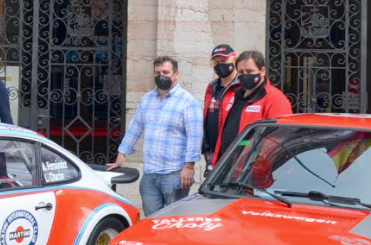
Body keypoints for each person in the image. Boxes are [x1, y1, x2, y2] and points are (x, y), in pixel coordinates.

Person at [109, 56, 202, 216]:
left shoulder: (188, 101)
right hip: (150, 174)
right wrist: (121, 153)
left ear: (176, 74)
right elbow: (135, 127)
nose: (161, 76)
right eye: (157, 72)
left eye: (165, 72)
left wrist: (189, 168)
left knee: (173, 221)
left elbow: (195, 136)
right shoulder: (147, 99)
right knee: (151, 220)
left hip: (174, 174)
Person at [210, 50, 293, 166]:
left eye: (249, 71)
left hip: (249, 168)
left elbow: (277, 138)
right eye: (241, 72)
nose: (245, 75)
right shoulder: (234, 96)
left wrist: (258, 166)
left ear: (262, 71)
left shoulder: (275, 99)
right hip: (226, 165)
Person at [201, 44, 240, 171]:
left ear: (235, 59)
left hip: (236, 154)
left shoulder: (242, 87)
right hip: (213, 156)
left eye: (223, 61)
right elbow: (207, 118)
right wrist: (206, 151)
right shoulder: (212, 88)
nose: (220, 65)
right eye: (216, 62)